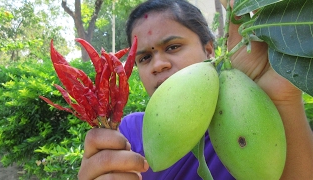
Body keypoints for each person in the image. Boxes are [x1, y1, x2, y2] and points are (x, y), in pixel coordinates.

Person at [78, 0, 313, 179]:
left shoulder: (243, 118)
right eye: (144, 58)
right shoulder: (129, 132)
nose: (158, 65)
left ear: (210, 50)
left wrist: (281, 101)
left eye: (173, 47)